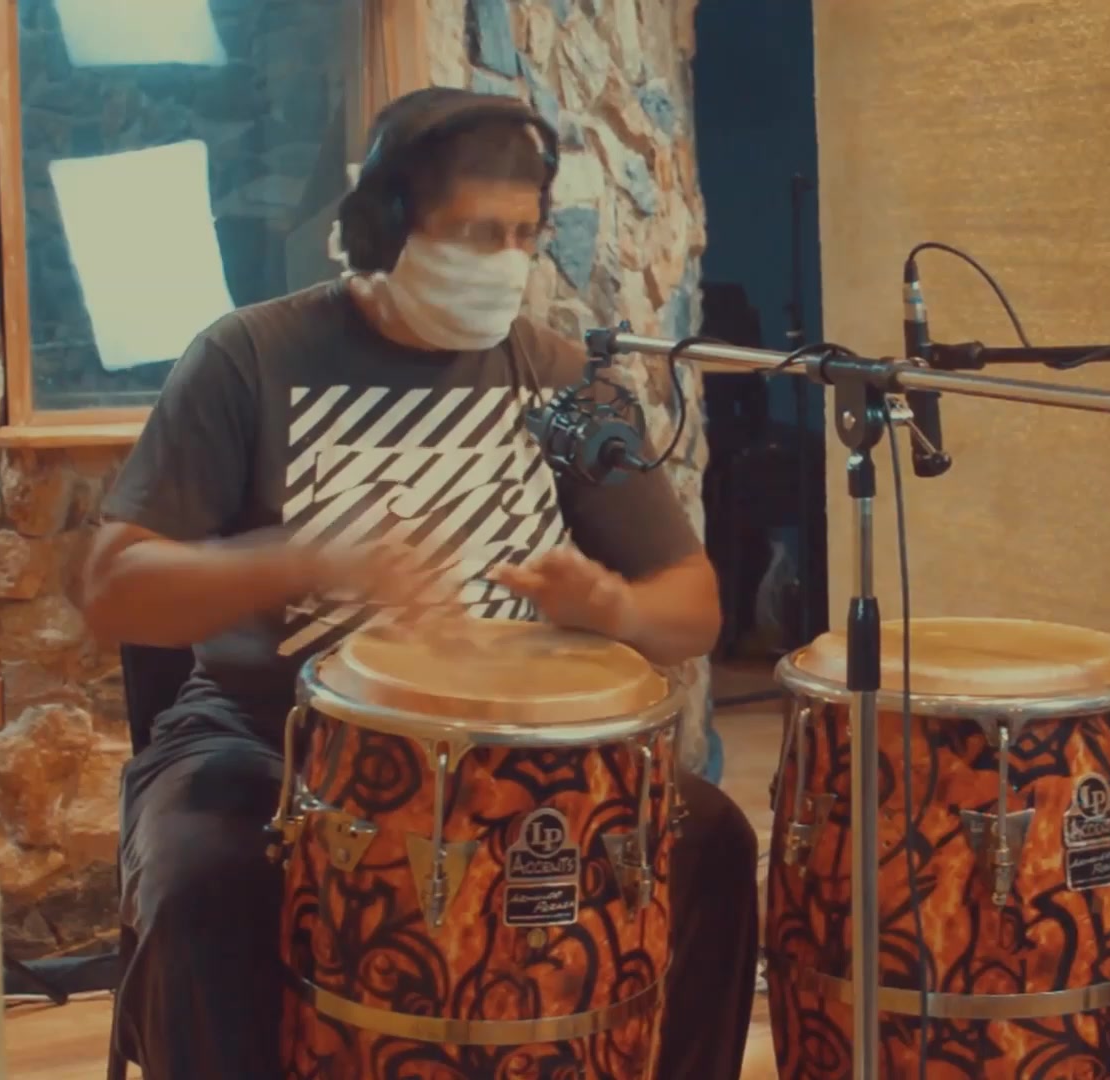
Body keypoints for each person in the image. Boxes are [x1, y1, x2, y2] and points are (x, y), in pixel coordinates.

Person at [79, 87, 759, 1080]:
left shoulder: (565, 383)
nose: (506, 260)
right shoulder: (248, 359)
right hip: (268, 741)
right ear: (381, 226)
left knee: (712, 842)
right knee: (205, 889)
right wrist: (305, 555)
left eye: (523, 234)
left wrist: (610, 605)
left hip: (522, 762)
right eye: (476, 232)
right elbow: (113, 586)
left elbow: (692, 606)